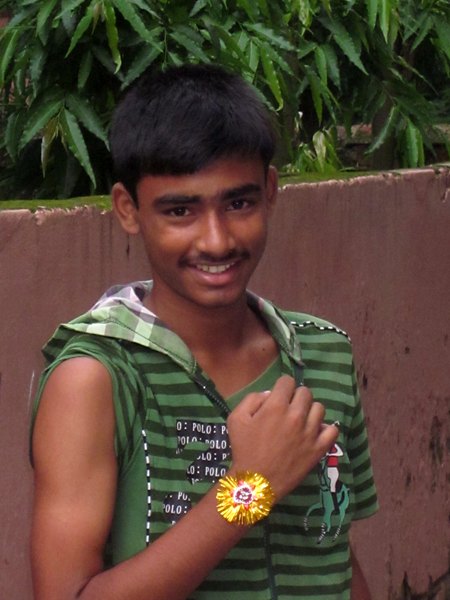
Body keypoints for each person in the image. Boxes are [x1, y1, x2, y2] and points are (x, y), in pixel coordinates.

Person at [30, 63, 378, 600]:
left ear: (270, 191)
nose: (216, 240)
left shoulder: (323, 352)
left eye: (238, 203)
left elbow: (332, 553)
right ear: (128, 210)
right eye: (180, 211)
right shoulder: (95, 378)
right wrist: (250, 489)